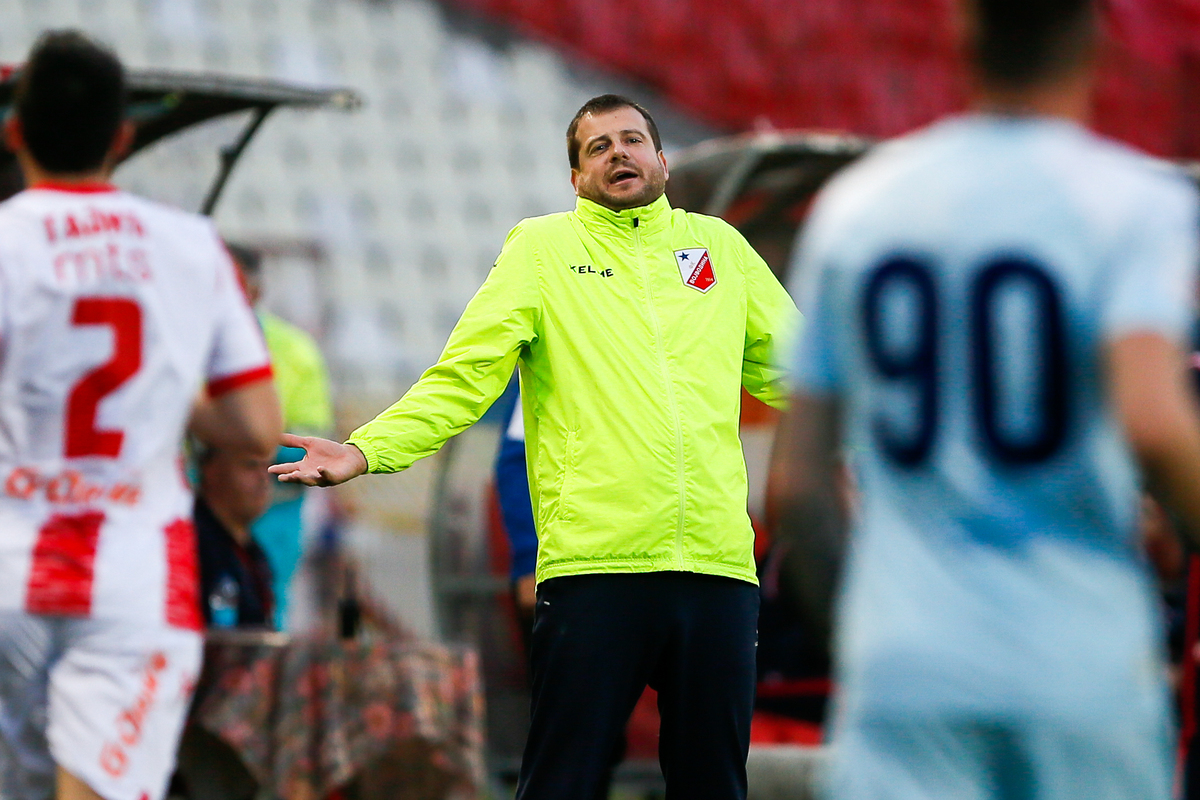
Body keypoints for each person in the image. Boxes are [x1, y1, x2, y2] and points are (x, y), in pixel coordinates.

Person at [272, 93, 799, 799]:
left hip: (718, 570)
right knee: (562, 783)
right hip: (596, 566)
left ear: (663, 159)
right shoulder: (543, 250)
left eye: (632, 139)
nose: (619, 153)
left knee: (714, 788)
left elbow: (807, 377)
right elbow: (463, 379)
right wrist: (366, 450)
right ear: (576, 179)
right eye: (598, 147)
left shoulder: (721, 250)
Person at [768, 0, 1200, 797]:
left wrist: (865, 628)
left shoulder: (858, 209)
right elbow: (1154, 420)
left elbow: (794, 488)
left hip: (908, 661)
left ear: (960, 33)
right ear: (1095, 40)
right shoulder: (1133, 204)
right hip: (1077, 659)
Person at [0, 31, 281, 800]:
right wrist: (167, 399)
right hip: (134, 575)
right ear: (124, 138)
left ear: (14, 132)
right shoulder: (190, 247)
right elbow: (257, 427)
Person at [225, 243, 334, 629]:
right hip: (199, 504)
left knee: (264, 608)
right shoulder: (182, 339)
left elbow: (311, 438)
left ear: (255, 289)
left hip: (273, 506)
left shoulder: (294, 350)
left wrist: (241, 452)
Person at [194, 445, 276, 629]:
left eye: (269, 467)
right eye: (251, 466)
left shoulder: (253, 552)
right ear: (212, 470)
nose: (264, 478)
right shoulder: (192, 544)